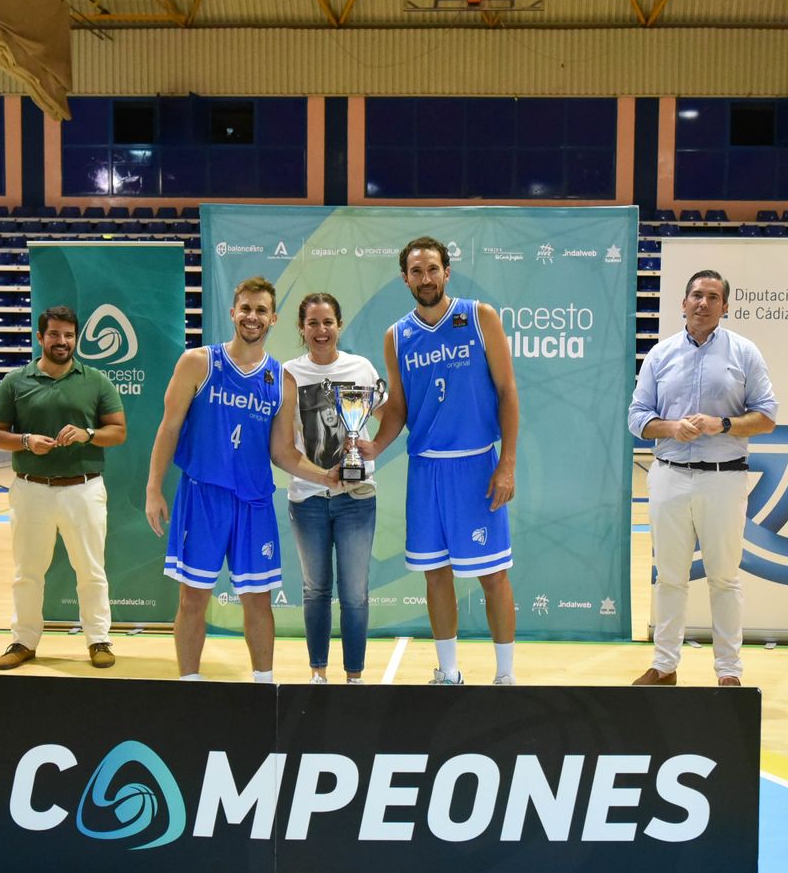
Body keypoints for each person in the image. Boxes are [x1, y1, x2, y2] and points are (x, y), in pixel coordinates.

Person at [145, 277, 339, 682]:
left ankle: (262, 687)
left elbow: (283, 452)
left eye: (261, 311)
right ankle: (190, 685)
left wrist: (328, 477)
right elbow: (168, 428)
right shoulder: (198, 362)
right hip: (203, 497)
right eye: (246, 309)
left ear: (274, 319)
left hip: (253, 504)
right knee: (193, 598)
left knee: (258, 602)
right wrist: (153, 488)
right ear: (233, 313)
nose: (253, 317)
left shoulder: (281, 381)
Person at [366, 235, 520, 686]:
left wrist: (506, 463)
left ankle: (506, 676)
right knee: (436, 575)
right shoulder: (397, 335)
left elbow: (508, 391)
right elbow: (397, 409)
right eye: (416, 271)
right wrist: (374, 447)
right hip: (426, 469)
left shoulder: (479, 317)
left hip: (476, 465)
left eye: (432, 268)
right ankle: (448, 672)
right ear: (405, 278)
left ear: (447, 271)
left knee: (493, 576)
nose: (426, 278)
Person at [627, 268, 778, 687]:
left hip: (724, 478)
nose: (703, 303)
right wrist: (671, 428)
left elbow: (766, 417)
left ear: (725, 306)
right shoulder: (659, 355)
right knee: (670, 576)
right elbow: (636, 418)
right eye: (696, 295)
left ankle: (729, 673)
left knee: (724, 579)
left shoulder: (744, 352)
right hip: (669, 476)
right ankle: (664, 666)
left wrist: (722, 424)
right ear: (683, 302)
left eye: (713, 297)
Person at [0, 305, 127, 671]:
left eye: (68, 335)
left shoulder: (96, 380)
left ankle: (99, 639)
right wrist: (26, 441)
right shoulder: (15, 381)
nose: (61, 341)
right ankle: (24, 640)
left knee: (91, 569)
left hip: (84, 489)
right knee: (27, 572)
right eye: (54, 334)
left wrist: (89, 434)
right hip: (30, 489)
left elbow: (119, 431)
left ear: (76, 338)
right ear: (40, 337)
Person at [278, 292, 382, 684]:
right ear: (302, 329)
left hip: (356, 499)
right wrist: (320, 476)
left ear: (339, 324)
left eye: (328, 322)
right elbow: (283, 445)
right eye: (312, 323)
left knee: (354, 593)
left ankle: (354, 677)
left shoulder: (362, 368)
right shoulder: (288, 373)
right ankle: (318, 674)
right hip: (307, 500)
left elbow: (388, 414)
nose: (321, 331)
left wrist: (375, 446)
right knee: (315, 590)